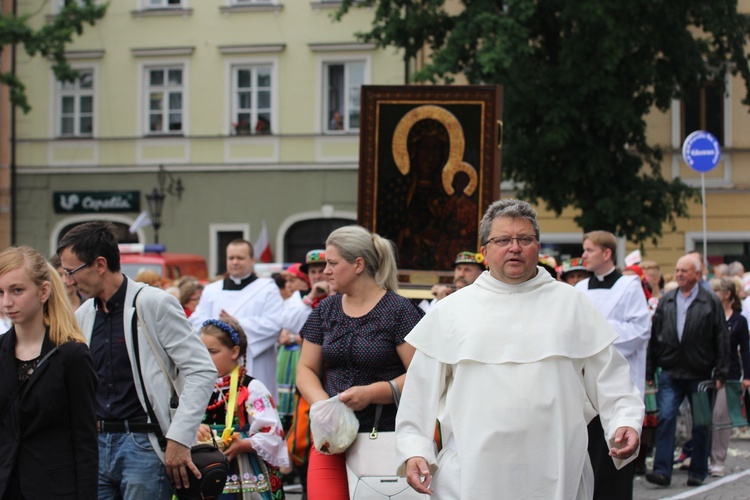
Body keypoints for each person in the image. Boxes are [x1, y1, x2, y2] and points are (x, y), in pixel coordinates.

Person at [395, 199, 644, 499]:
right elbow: (419, 392)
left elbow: (611, 377)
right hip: (473, 471)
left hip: (556, 467)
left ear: (538, 247)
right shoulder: (451, 311)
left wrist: (625, 421)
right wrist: (414, 449)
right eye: (503, 240)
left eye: (524, 239)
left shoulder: (571, 303)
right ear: (485, 251)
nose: (514, 247)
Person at [57, 221, 217, 499]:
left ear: (99, 264)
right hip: (95, 445)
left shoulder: (154, 303)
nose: (68, 281)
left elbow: (202, 371)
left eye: (71, 272)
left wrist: (179, 437)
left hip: (143, 443)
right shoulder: (84, 314)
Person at [296, 225, 425, 499]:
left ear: (358, 264)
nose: (325, 270)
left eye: (332, 263)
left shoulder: (399, 311)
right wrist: (324, 405)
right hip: (332, 439)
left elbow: (422, 375)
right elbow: (305, 369)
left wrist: (373, 393)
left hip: (385, 437)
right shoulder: (325, 310)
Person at [0, 246, 98, 499]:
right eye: (0, 292)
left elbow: (85, 440)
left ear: (43, 291)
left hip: (55, 489)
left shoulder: (72, 355)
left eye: (17, 290)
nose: (6, 302)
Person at [575, 231, 651, 499]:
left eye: (588, 250)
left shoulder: (629, 286)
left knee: (614, 451)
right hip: (584, 388)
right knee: (588, 454)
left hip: (617, 380)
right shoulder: (579, 289)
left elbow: (641, 329)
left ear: (606, 253)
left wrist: (599, 334)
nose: (583, 255)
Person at [645, 254, 729, 487]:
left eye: (684, 270)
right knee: (667, 417)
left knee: (701, 423)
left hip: (700, 374)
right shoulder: (668, 299)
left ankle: (698, 470)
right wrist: (650, 369)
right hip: (671, 371)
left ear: (697, 275)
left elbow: (722, 337)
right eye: (677, 270)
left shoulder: (709, 300)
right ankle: (662, 470)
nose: (679, 274)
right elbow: (655, 336)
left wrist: (721, 371)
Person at [198, 318, 289, 498]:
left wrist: (243, 444)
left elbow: (272, 433)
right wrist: (194, 428)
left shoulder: (252, 388)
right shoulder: (197, 386)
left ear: (234, 352)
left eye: (212, 352)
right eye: (201, 351)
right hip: (203, 468)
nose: (204, 357)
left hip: (242, 468)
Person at [190, 239, 284, 400]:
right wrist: (220, 329)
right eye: (231, 258)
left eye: (240, 258)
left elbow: (275, 323)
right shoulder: (211, 290)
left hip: (256, 363)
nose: (234, 262)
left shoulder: (267, 288)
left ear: (252, 260)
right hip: (216, 364)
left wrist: (237, 325)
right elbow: (196, 320)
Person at [709, 277, 750, 477]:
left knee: (720, 417)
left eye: (716, 291)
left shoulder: (739, 320)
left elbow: (746, 350)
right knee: (702, 418)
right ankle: (698, 457)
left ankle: (718, 459)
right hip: (706, 373)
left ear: (727, 295)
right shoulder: (709, 315)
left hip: (729, 374)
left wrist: (747, 375)